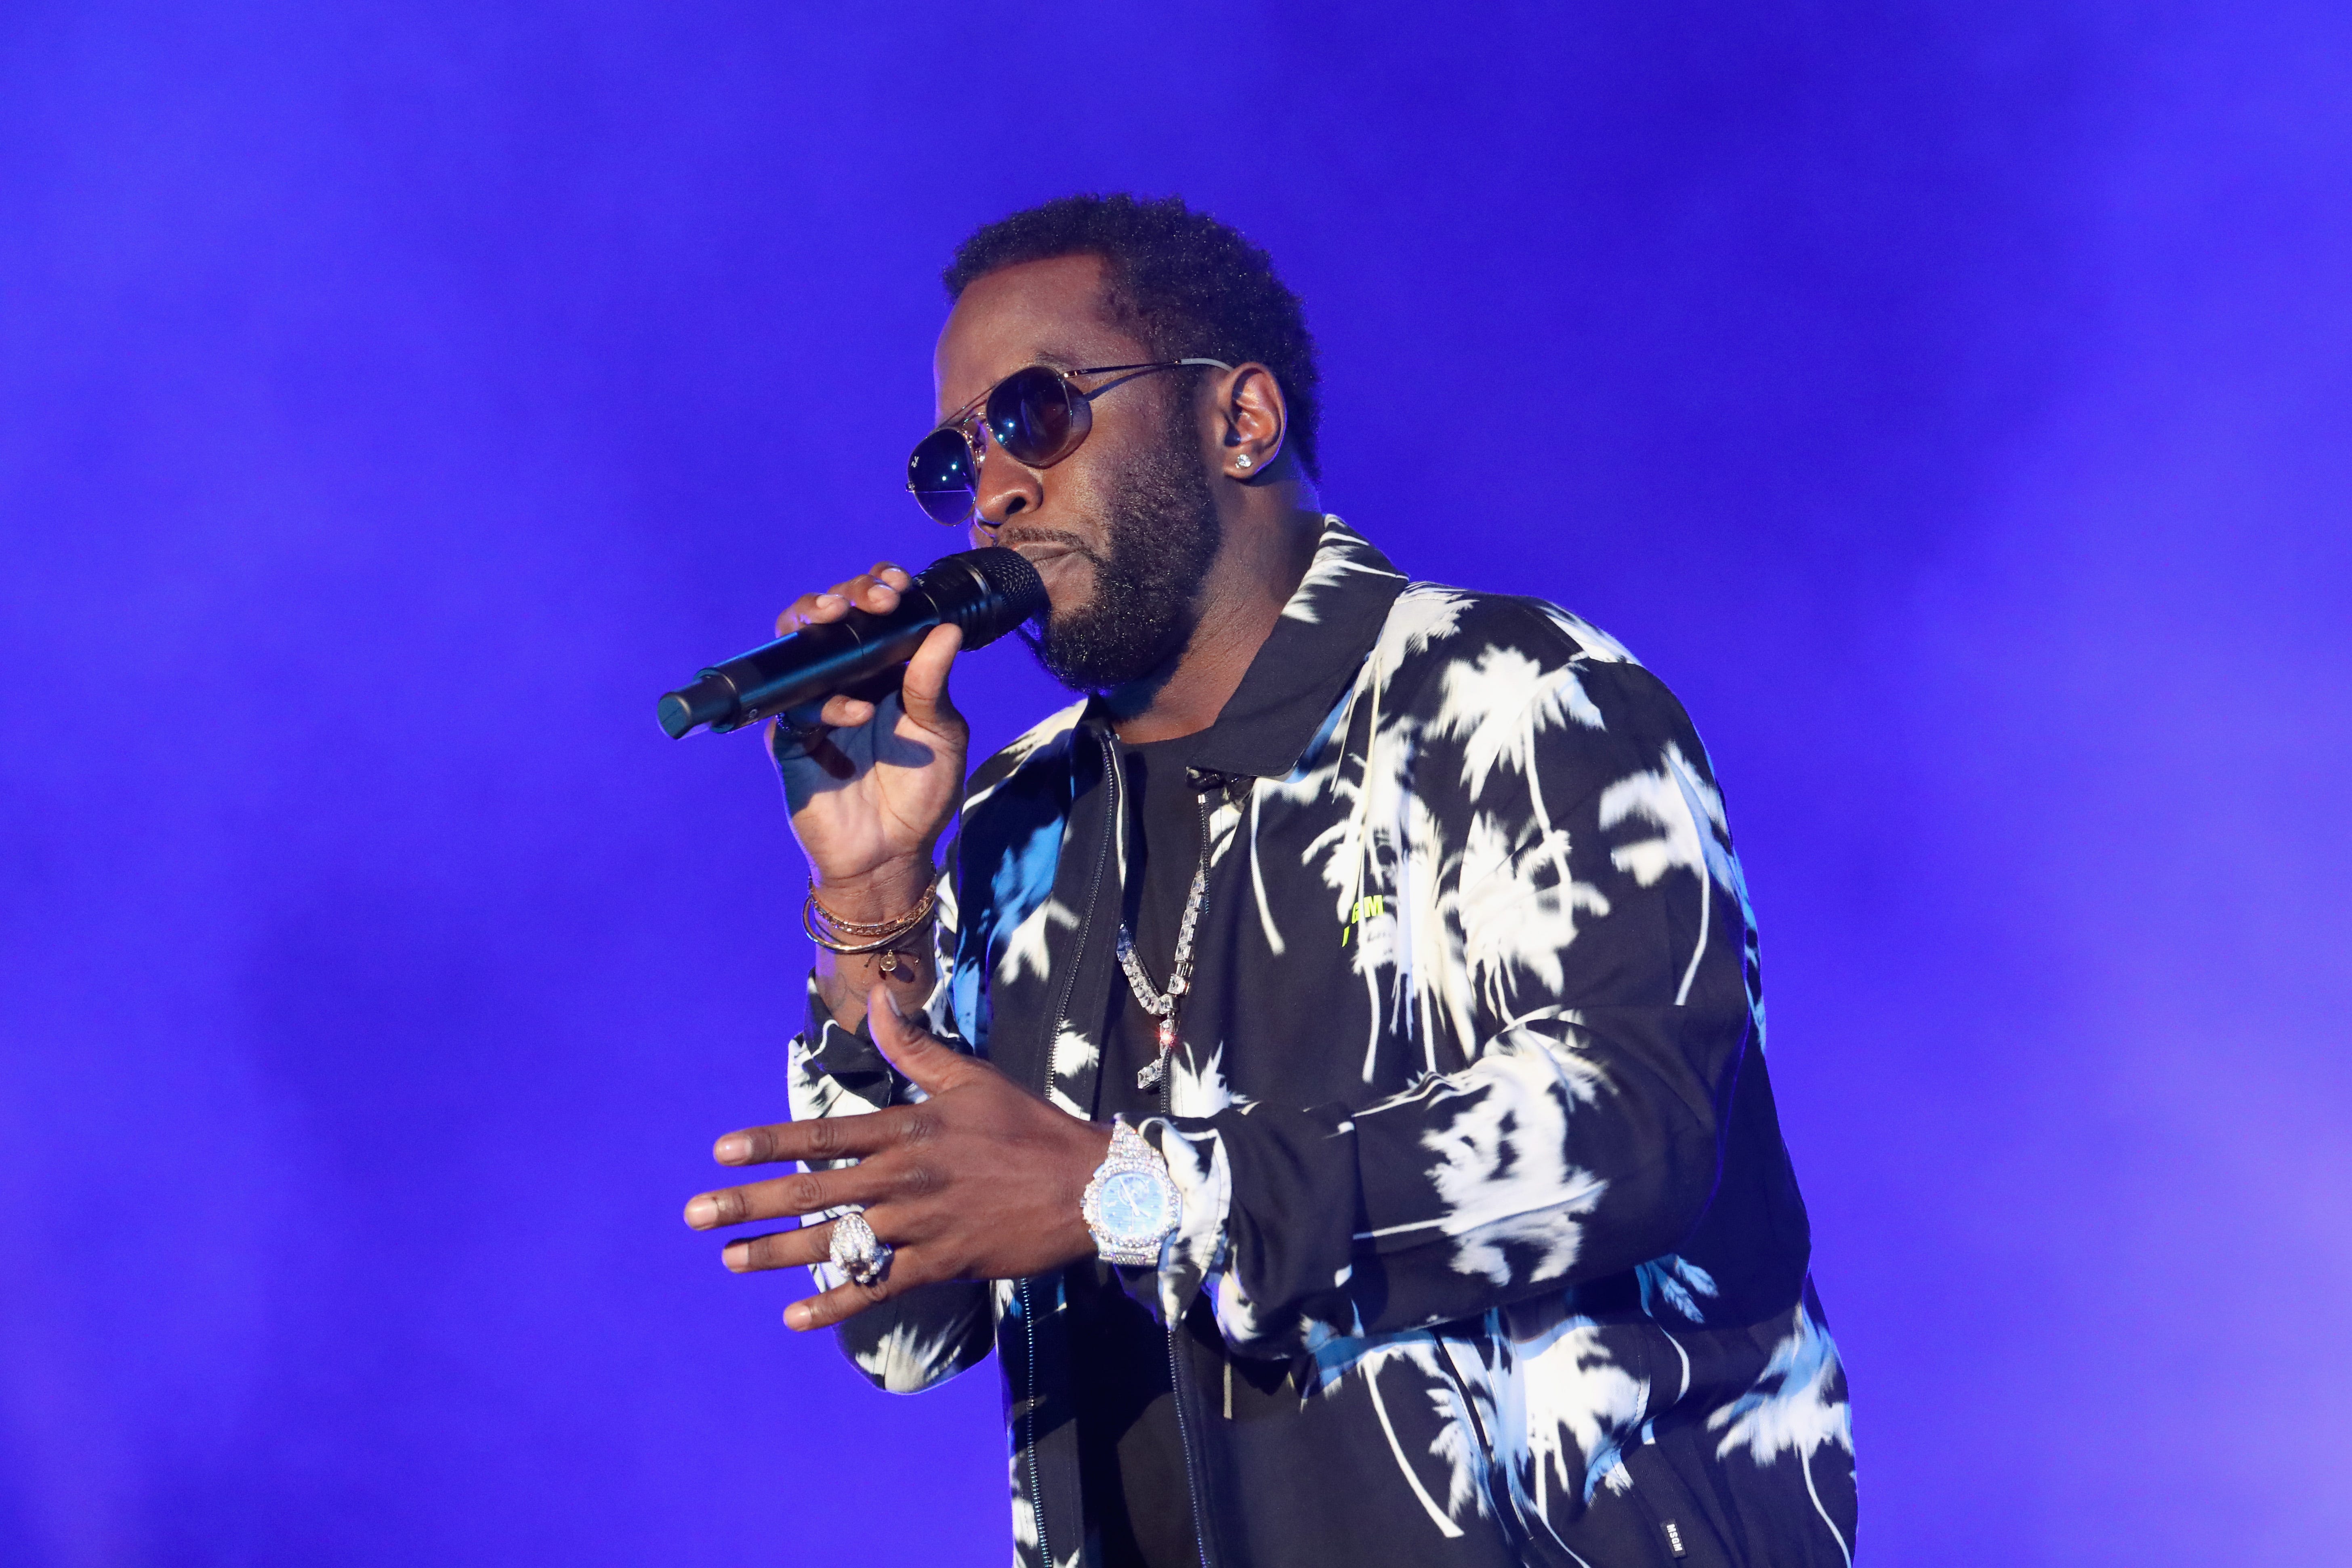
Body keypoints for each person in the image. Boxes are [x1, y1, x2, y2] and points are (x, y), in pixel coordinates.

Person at [681, 193, 1857, 1568]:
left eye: (1037, 414)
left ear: (1239, 420)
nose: (993, 488)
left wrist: (1135, 1196)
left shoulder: (1509, 695)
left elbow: (1633, 1133)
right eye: (956, 458)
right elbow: (899, 1326)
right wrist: (877, 891)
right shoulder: (1015, 819)